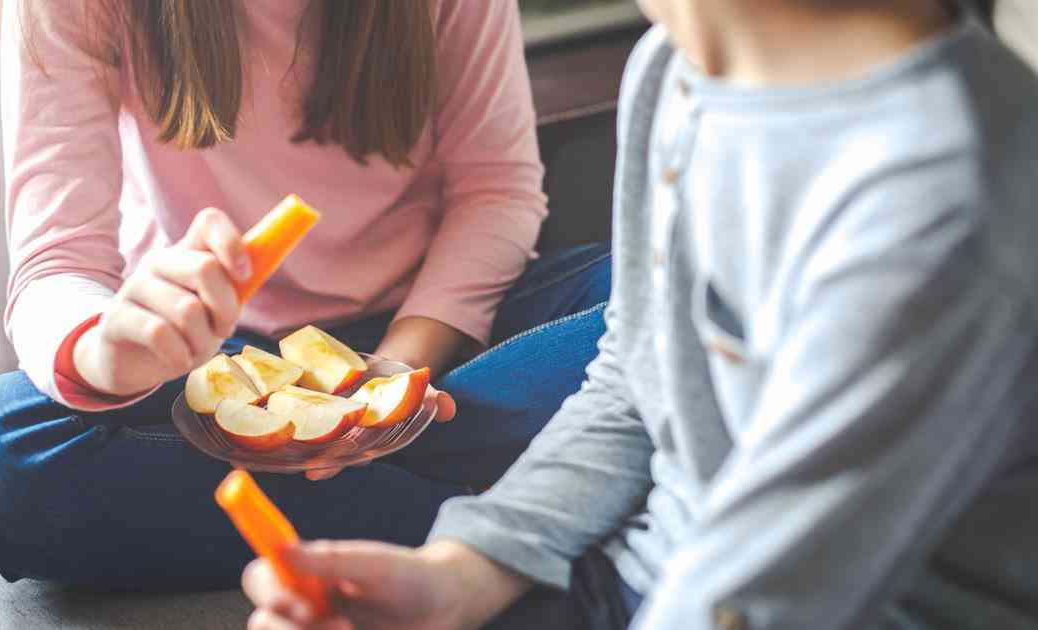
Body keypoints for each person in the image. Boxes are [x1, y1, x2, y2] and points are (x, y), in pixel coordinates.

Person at [241, 0, 1038, 628]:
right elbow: (634, 380)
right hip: (647, 575)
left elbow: (765, 595)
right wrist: (464, 573)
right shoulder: (676, 66)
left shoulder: (943, 191)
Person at [0, 0, 613, 592]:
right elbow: (57, 258)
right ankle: (503, 511)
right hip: (217, 359)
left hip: (430, 335)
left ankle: (452, 503)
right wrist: (106, 353)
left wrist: (394, 375)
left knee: (682, 295)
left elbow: (497, 189)